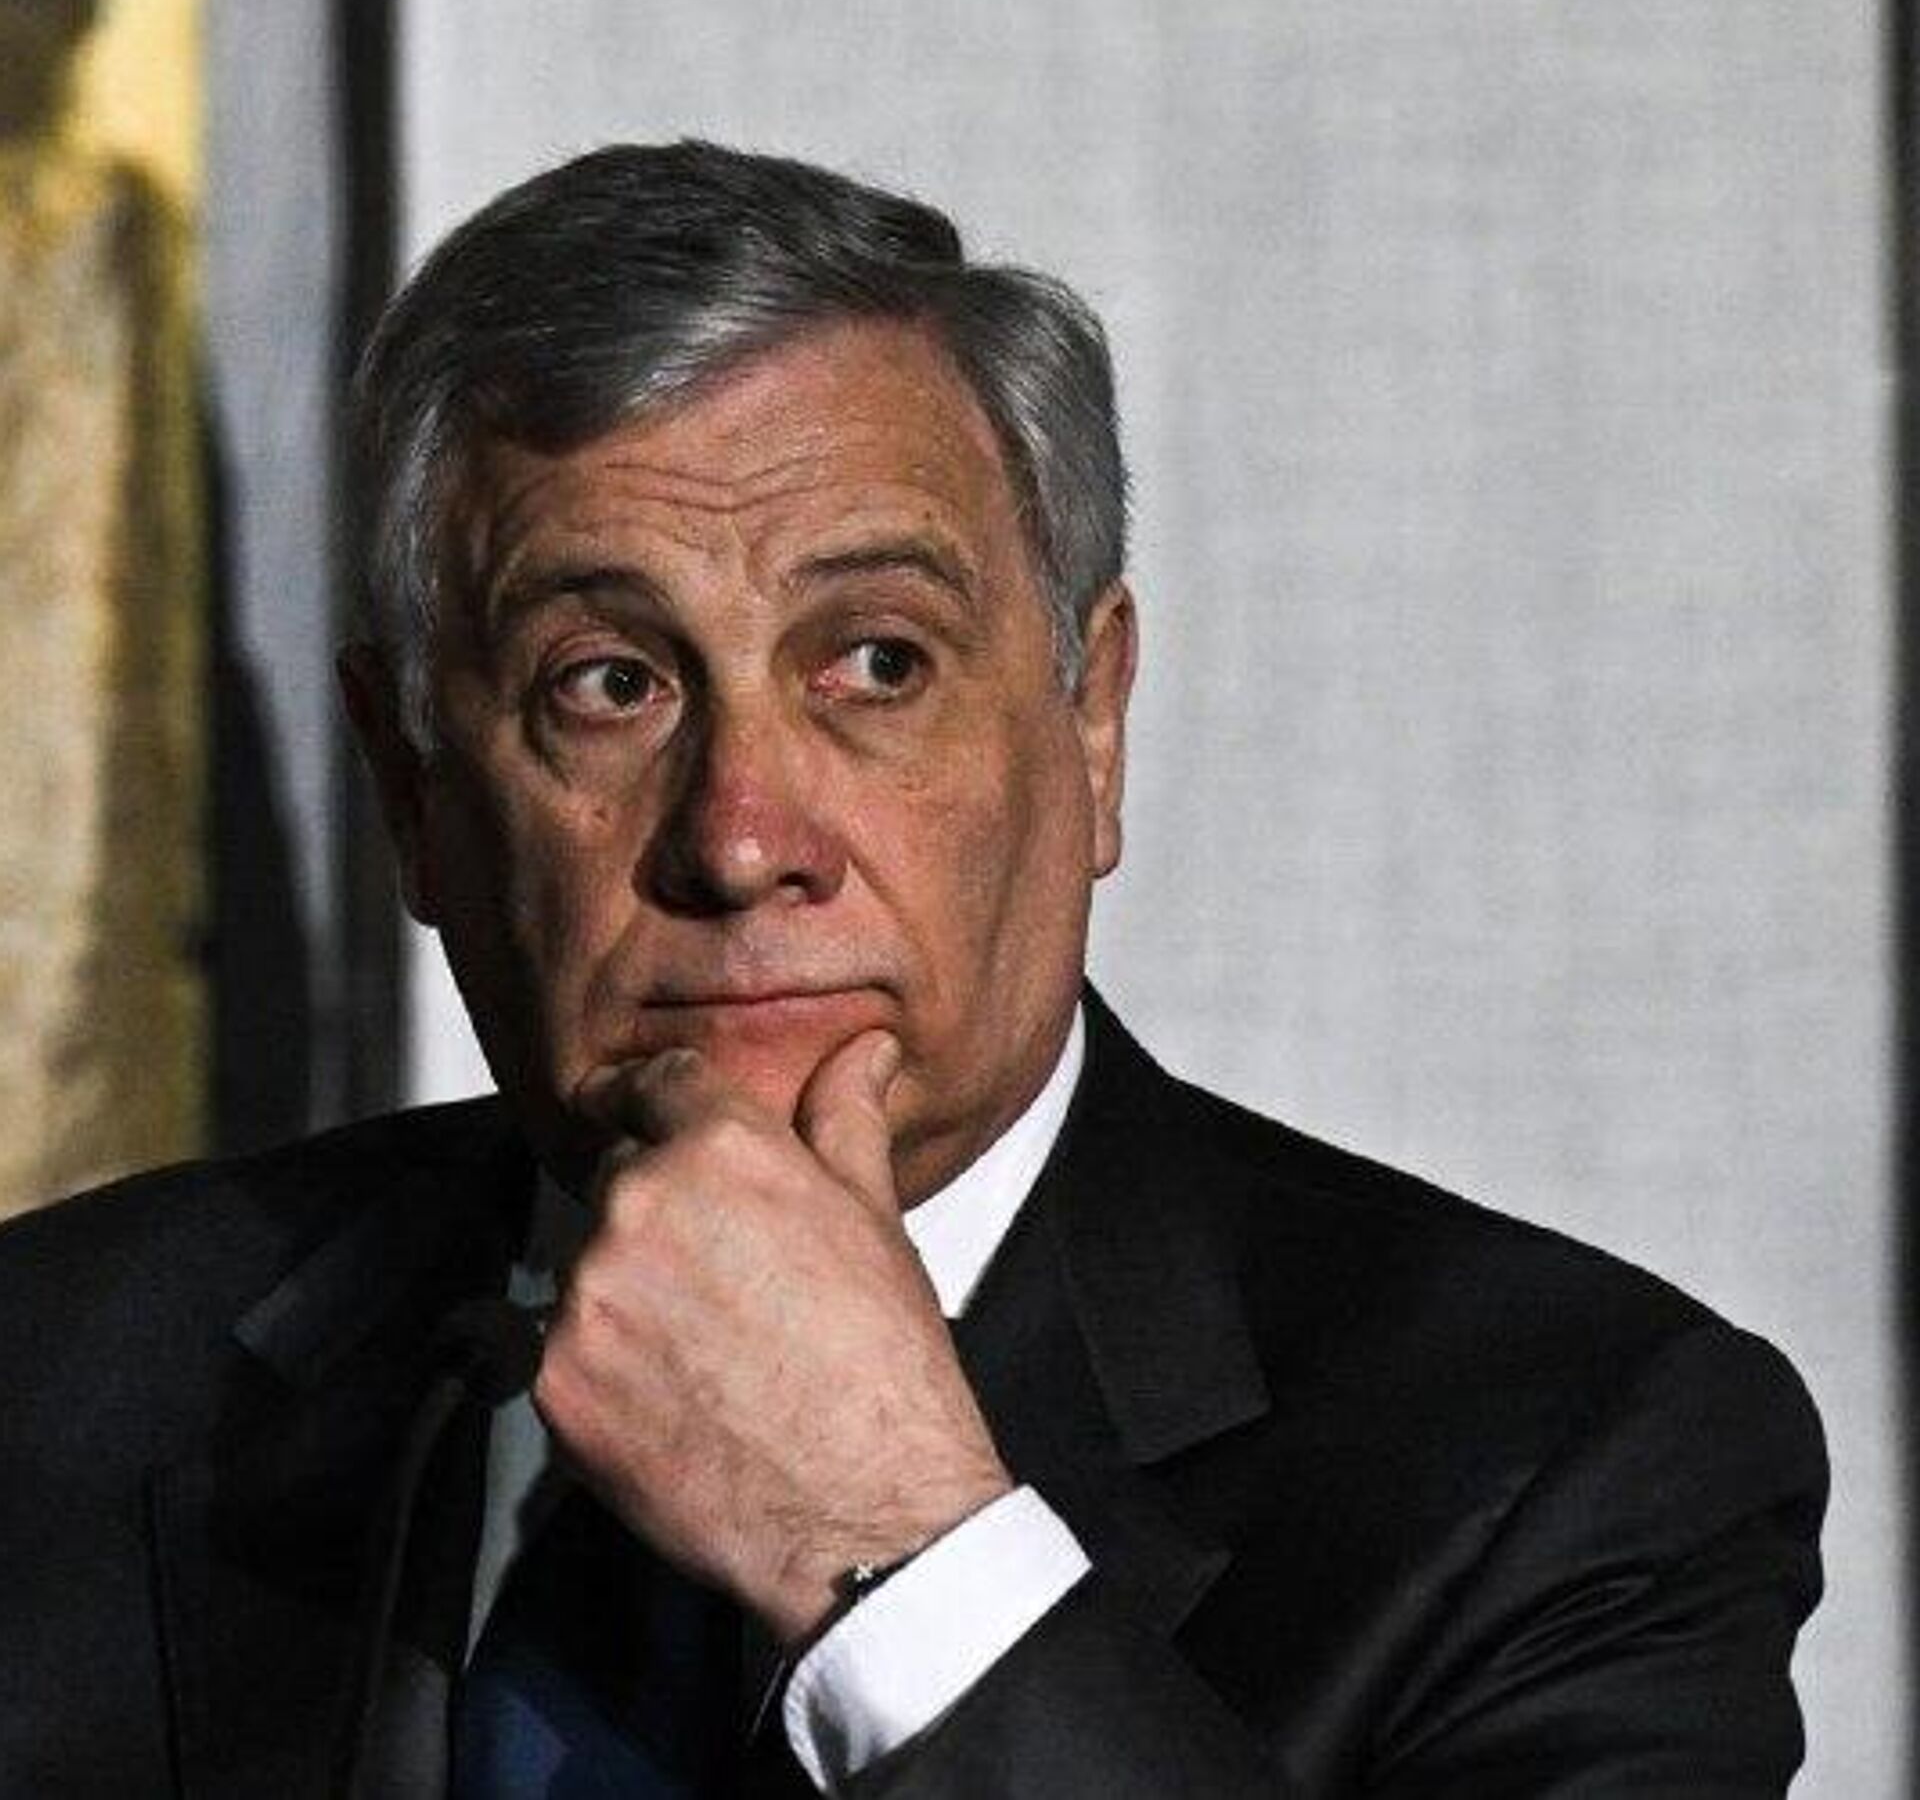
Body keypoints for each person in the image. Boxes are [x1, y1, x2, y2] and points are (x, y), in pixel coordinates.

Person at [0, 142, 1824, 1798]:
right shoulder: (51, 1381)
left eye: (877, 662)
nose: (741, 838)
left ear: (1091, 723)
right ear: (411, 790)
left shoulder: (1568, 1467)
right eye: (609, 684)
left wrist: (900, 1556)